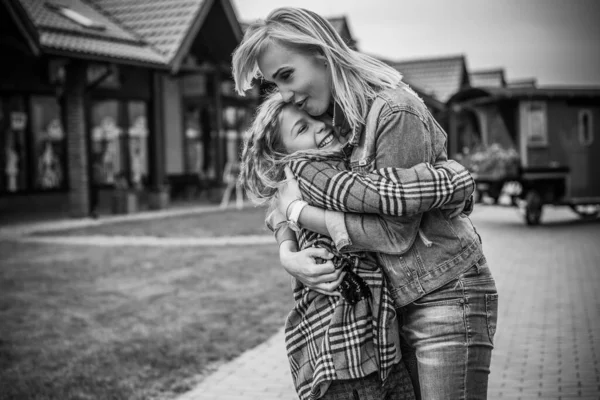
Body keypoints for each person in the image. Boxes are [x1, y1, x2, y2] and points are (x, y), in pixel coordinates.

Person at [233, 7, 499, 400]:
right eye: (275, 83)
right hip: (390, 309)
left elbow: (395, 233)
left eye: (287, 76)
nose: (286, 94)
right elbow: (286, 186)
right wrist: (288, 250)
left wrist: (301, 214)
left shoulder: (393, 111)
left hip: (445, 293)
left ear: (321, 53)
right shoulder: (333, 124)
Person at [240, 91, 477, 399]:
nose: (320, 127)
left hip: (365, 349)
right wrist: (456, 179)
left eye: (316, 118)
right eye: (302, 129)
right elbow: (379, 197)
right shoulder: (309, 171)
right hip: (349, 354)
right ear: (282, 156)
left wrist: (288, 240)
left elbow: (280, 206)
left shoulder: (330, 163)